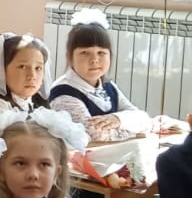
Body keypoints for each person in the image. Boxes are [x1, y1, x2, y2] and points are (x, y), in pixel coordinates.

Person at [46, 11, 151, 139]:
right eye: (85, 53)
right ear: (70, 57)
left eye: (101, 53)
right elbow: (93, 134)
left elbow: (142, 118)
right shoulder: (63, 92)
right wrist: (136, 130)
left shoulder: (108, 86)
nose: (94, 60)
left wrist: (117, 119)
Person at [0, 32, 49, 123]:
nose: (32, 75)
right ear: (2, 69)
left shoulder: (37, 105)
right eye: (22, 67)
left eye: (38, 68)